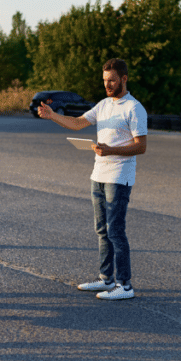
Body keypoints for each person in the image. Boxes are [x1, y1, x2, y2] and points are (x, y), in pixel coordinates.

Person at [37, 58, 147, 300]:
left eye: (112, 81)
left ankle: (125, 285)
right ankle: (106, 279)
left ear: (124, 79)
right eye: (105, 81)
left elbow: (141, 146)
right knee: (101, 230)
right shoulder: (104, 105)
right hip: (98, 174)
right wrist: (53, 115)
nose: (108, 85)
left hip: (119, 176)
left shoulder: (134, 108)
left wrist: (111, 150)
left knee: (115, 231)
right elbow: (78, 124)